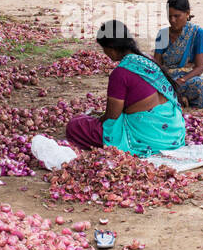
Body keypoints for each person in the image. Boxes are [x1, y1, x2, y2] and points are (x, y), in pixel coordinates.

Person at [65, 19, 187, 156]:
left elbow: (113, 116)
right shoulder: (147, 60)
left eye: (104, 48)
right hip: (174, 132)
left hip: (153, 139)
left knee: (75, 125)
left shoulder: (120, 73)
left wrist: (97, 120)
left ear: (111, 48)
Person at [153, 0, 203, 108]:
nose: (172, 20)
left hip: (187, 78)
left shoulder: (198, 33)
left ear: (187, 13)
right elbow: (157, 64)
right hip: (167, 78)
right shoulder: (163, 34)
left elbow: (200, 67)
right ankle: (178, 99)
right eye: (169, 16)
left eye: (177, 16)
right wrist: (163, 80)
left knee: (202, 86)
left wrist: (181, 80)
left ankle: (172, 98)